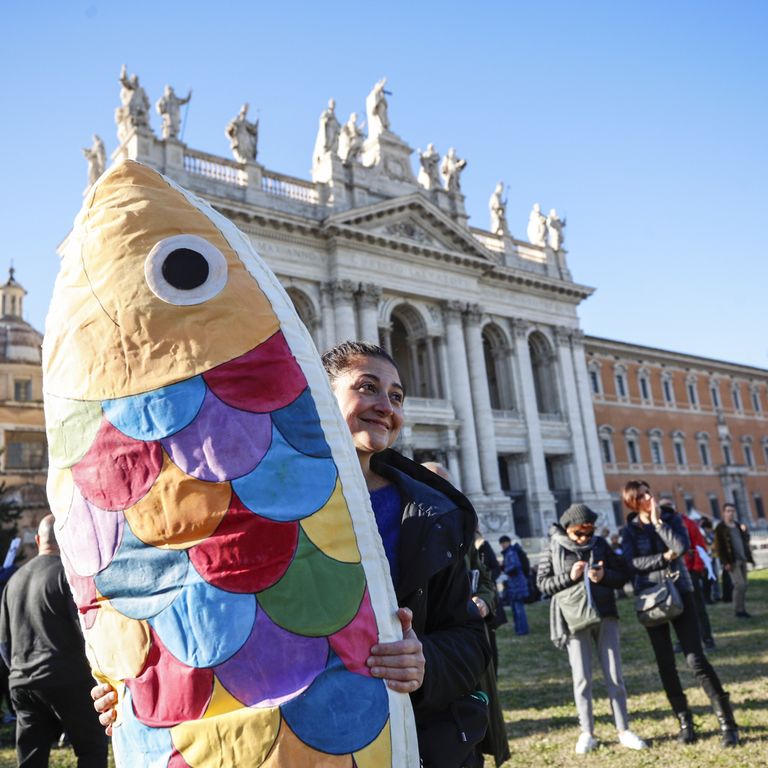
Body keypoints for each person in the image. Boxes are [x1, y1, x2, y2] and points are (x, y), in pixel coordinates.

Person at [94, 341, 490, 768]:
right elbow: (197, 606)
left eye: (396, 396)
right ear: (318, 393)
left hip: (416, 745)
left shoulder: (430, 515)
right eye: (368, 387)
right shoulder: (254, 495)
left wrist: (424, 661)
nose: (384, 406)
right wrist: (138, 686)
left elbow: (469, 641)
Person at [621, 480, 739, 747]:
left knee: (695, 659)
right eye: (641, 496)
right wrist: (663, 558)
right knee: (665, 664)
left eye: (648, 492)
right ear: (632, 501)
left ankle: (727, 723)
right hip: (650, 598)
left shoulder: (672, 519)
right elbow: (631, 564)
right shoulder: (629, 530)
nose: (649, 497)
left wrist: (659, 523)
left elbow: (681, 547)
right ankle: (685, 722)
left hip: (680, 590)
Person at [537, 503, 646, 754]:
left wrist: (604, 576)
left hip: (605, 613)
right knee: (582, 678)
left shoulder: (599, 545)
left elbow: (623, 574)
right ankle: (587, 732)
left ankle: (623, 729)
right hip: (573, 619)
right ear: (568, 529)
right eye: (579, 533)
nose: (585, 538)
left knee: (614, 675)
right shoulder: (554, 547)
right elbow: (542, 584)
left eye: (589, 532)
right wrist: (570, 577)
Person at [0, 516, 108, 767]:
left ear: (38, 540)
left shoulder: (13, 581)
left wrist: (18, 670)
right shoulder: (68, 575)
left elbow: (4, 644)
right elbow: (86, 630)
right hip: (68, 679)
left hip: (23, 682)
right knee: (91, 750)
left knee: (30, 758)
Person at [421, 462, 509, 768]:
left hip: (471, 639)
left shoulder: (463, 533)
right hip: (434, 653)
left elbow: (485, 579)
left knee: (480, 702)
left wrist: (484, 601)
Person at [663, 501, 715, 649]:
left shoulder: (687, 523)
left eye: (668, 504)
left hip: (690, 570)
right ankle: (682, 640)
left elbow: (699, 546)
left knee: (698, 606)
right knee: (677, 608)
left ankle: (707, 638)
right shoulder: (659, 526)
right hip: (671, 573)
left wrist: (697, 567)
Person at [713, 502, 754, 618]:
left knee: (744, 584)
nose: (730, 513)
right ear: (724, 513)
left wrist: (745, 531)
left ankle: (743, 609)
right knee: (739, 584)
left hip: (742, 558)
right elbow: (719, 547)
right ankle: (738, 610)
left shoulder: (737, 525)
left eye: (732, 511)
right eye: (728, 511)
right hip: (732, 560)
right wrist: (725, 562)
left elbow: (745, 541)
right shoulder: (720, 528)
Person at [498, 535, 529, 635]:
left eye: (503, 543)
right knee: (516, 608)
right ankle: (519, 629)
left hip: (517, 584)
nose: (502, 546)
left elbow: (515, 566)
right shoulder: (510, 552)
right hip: (515, 584)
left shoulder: (511, 553)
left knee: (518, 608)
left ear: (508, 542)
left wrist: (505, 568)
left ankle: (522, 630)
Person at [312, 98, 341, 164]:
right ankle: (326, 151)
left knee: (334, 141)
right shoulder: (326, 112)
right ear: (329, 104)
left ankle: (331, 152)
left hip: (334, 129)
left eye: (334, 104)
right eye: (332, 103)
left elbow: (337, 123)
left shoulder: (334, 115)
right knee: (329, 139)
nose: (333, 105)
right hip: (329, 128)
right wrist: (325, 120)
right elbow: (322, 119)